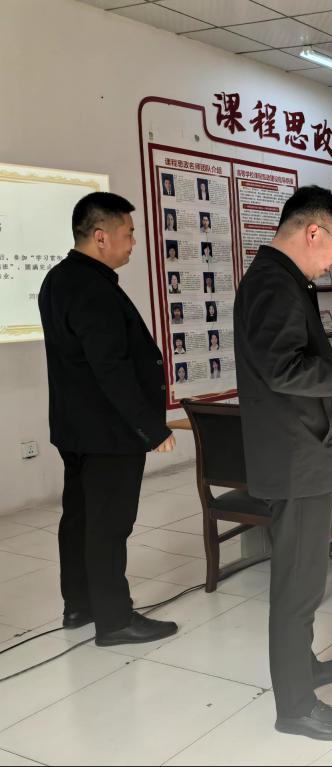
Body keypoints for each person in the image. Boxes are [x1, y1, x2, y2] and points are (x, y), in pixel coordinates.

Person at [234, 185, 332, 740]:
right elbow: (284, 371)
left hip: (303, 450)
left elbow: (294, 362)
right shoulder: (273, 284)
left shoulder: (283, 279)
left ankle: (303, 665)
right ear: (313, 231)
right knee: (297, 585)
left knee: (306, 576)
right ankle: (296, 707)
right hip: (296, 458)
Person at [37, 191, 178, 646]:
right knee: (109, 524)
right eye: (129, 233)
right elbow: (110, 367)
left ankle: (79, 604)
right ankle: (115, 620)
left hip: (76, 428)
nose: (133, 242)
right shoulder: (93, 288)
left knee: (80, 518)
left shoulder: (59, 279)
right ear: (101, 236)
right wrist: (151, 427)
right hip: (109, 432)